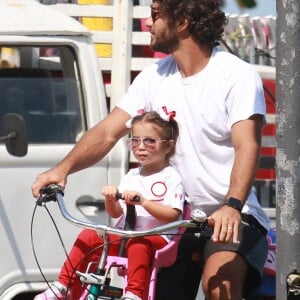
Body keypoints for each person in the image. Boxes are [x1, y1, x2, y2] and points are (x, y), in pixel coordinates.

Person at [32, 0, 271, 299]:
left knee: (218, 282)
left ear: (183, 22)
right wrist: (62, 169)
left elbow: (247, 144)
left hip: (230, 214)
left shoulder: (235, 75)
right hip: (174, 221)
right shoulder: (153, 76)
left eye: (155, 16)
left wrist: (232, 205)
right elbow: (108, 131)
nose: (147, 23)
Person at [34, 109, 185, 300]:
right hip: (124, 235)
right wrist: (110, 199)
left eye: (149, 141)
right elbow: (115, 214)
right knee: (90, 235)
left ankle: (134, 294)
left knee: (139, 243)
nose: (140, 147)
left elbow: (173, 214)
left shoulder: (171, 177)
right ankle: (63, 285)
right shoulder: (133, 175)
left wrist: (144, 202)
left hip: (154, 239)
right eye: (135, 141)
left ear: (168, 146)